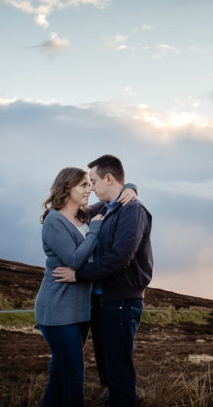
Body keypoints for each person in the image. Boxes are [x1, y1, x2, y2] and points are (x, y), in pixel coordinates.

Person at [53, 154, 152, 407]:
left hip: (120, 302)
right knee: (108, 371)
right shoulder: (104, 210)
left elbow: (120, 258)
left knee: (118, 372)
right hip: (101, 302)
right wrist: (130, 186)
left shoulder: (133, 211)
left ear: (109, 178)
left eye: (94, 181)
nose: (92, 188)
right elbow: (74, 210)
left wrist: (78, 275)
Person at [34, 167, 136, 406]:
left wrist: (131, 189)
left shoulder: (84, 215)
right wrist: (95, 231)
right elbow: (75, 259)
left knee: (59, 378)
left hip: (80, 310)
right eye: (83, 185)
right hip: (58, 310)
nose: (89, 189)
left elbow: (113, 198)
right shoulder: (54, 221)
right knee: (73, 379)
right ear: (67, 187)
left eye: (90, 184)